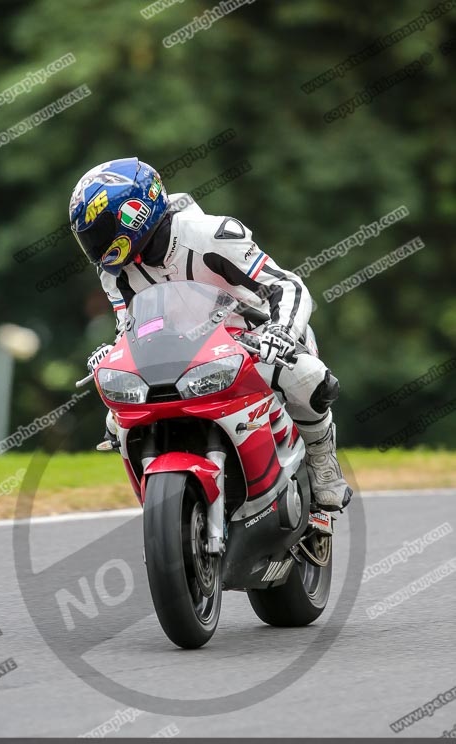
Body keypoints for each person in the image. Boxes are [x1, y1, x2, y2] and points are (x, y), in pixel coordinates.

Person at [69, 157, 352, 511]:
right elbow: (129, 328)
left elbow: (286, 285)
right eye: (89, 238)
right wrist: (113, 352)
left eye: (101, 232)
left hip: (252, 340)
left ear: (135, 213)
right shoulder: (115, 274)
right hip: (179, 356)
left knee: (310, 377)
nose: (97, 247)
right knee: (115, 419)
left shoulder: (211, 235)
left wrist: (281, 332)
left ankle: (322, 460)